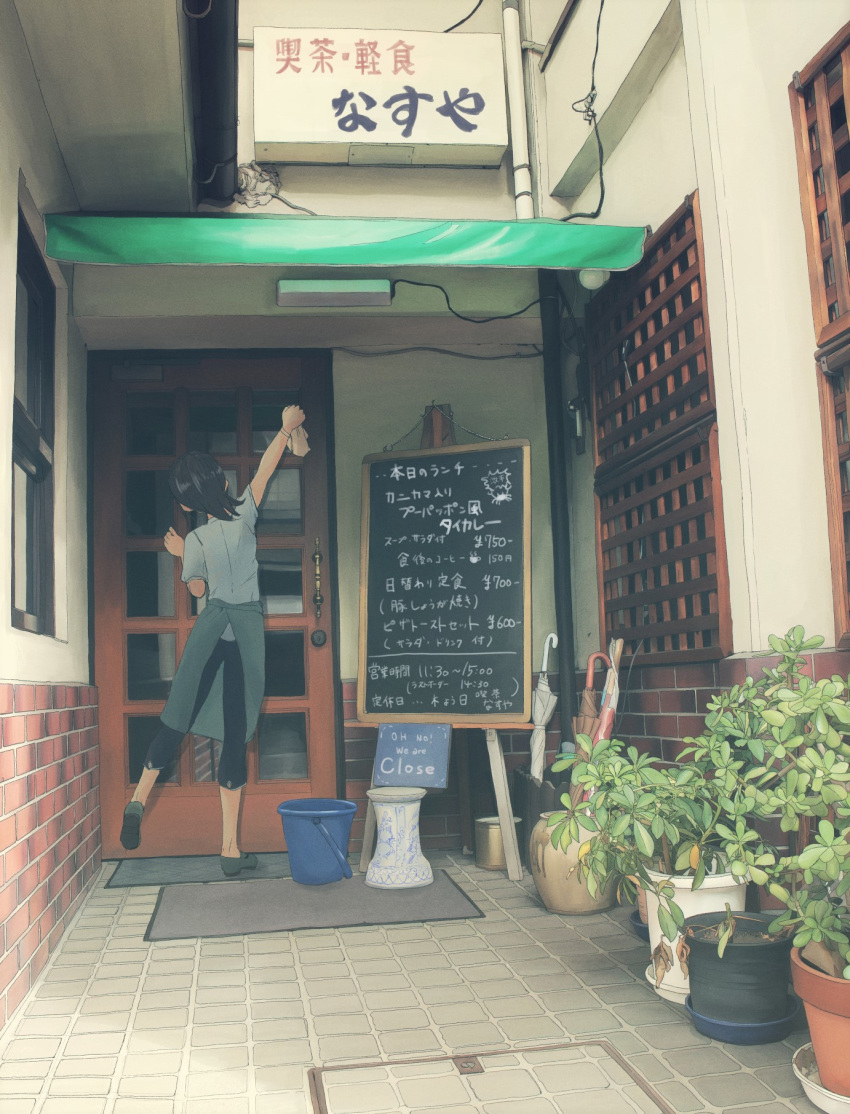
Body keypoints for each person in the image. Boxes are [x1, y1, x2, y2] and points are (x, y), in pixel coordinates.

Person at [120, 405, 309, 875]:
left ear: (186, 504)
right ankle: (229, 849)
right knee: (236, 731)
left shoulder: (198, 538)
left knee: (178, 713)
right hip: (245, 629)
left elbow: (199, 590)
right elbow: (266, 469)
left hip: (211, 628)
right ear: (223, 481)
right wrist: (285, 431)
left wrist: (184, 555)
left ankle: (138, 799)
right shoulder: (245, 513)